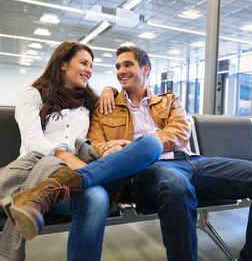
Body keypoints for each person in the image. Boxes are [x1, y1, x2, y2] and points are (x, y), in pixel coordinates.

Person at [87, 45, 252, 261]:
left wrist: (140, 144)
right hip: (149, 168)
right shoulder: (106, 107)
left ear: (145, 69)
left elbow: (180, 132)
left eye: (128, 64)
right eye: (117, 66)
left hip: (192, 162)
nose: (121, 71)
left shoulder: (170, 100)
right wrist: (123, 151)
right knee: (176, 188)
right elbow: (96, 143)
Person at [0, 41, 162, 260]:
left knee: (151, 145)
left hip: (83, 169)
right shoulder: (32, 95)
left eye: (92, 66)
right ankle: (41, 192)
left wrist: (111, 145)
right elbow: (32, 139)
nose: (89, 70)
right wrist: (64, 156)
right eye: (84, 63)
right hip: (37, 171)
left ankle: (38, 197)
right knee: (96, 197)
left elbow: (94, 138)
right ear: (63, 64)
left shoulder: (90, 102)